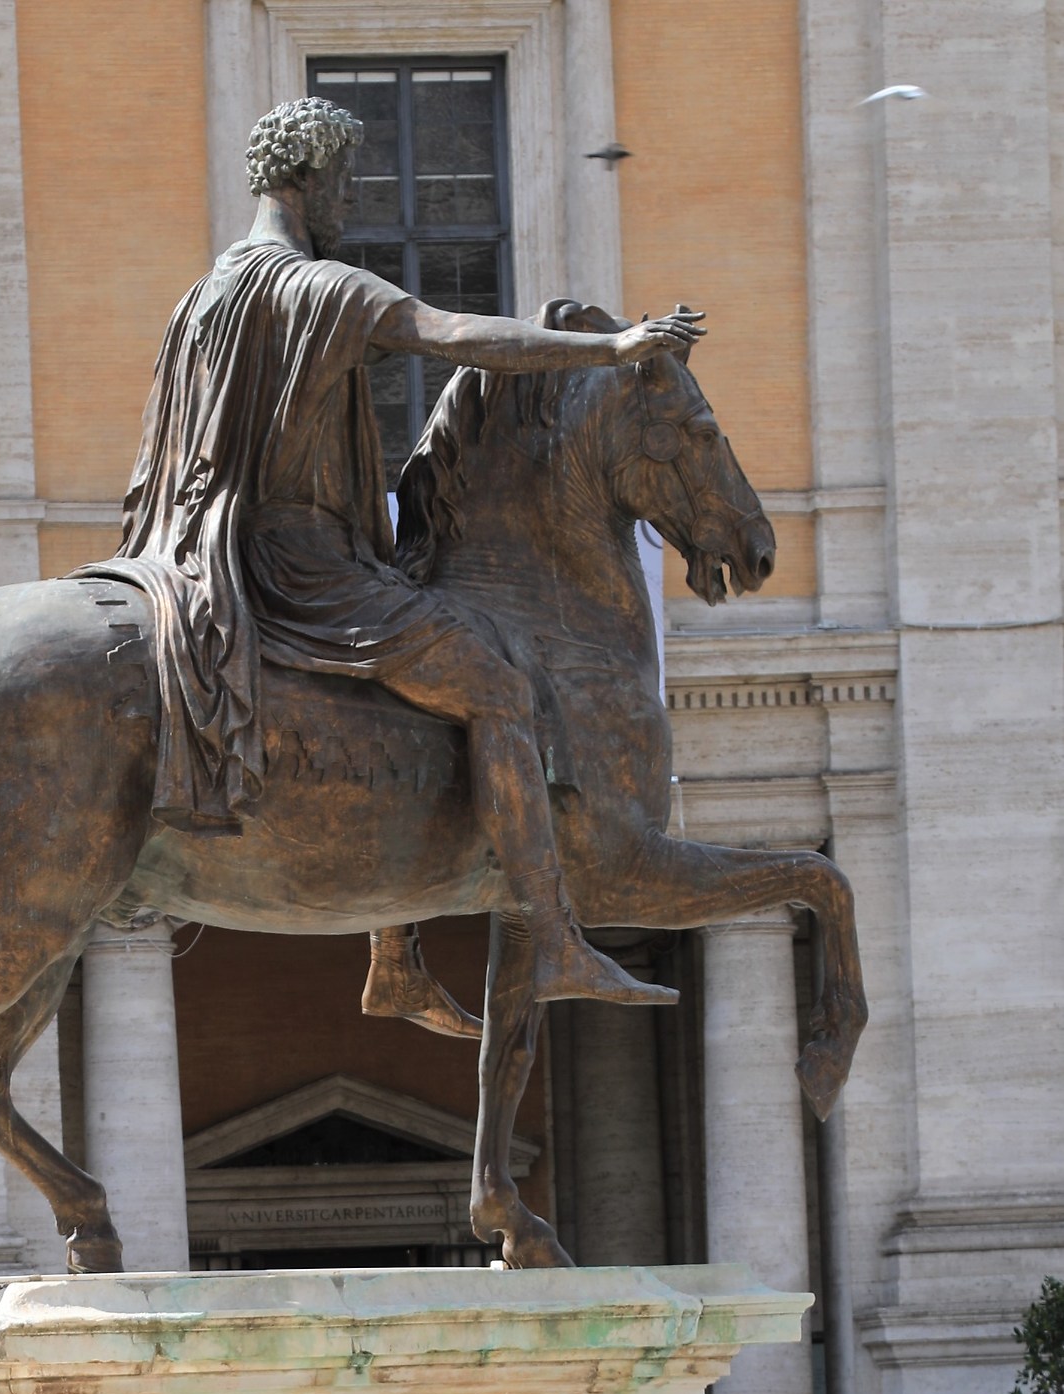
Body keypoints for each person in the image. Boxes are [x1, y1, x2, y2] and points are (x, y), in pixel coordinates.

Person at [94, 91, 703, 1017]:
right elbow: (458, 336)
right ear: (307, 177)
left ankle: (395, 958)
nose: (351, 199)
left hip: (199, 550)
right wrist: (611, 349)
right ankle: (552, 939)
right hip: (306, 564)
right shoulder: (319, 286)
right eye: (343, 180)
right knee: (496, 685)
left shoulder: (205, 295)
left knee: (406, 708)